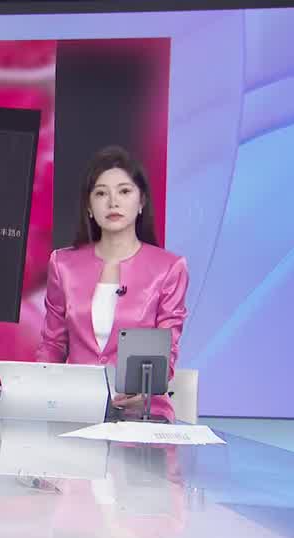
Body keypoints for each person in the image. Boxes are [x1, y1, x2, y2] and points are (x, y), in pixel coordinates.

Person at [35, 146, 189, 421]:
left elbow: (167, 349)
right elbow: (53, 344)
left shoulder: (169, 268)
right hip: (77, 409)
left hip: (143, 413)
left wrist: (146, 389)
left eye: (124, 191)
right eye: (101, 193)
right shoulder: (63, 265)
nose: (112, 202)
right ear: (89, 207)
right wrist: (33, 392)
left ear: (141, 201)